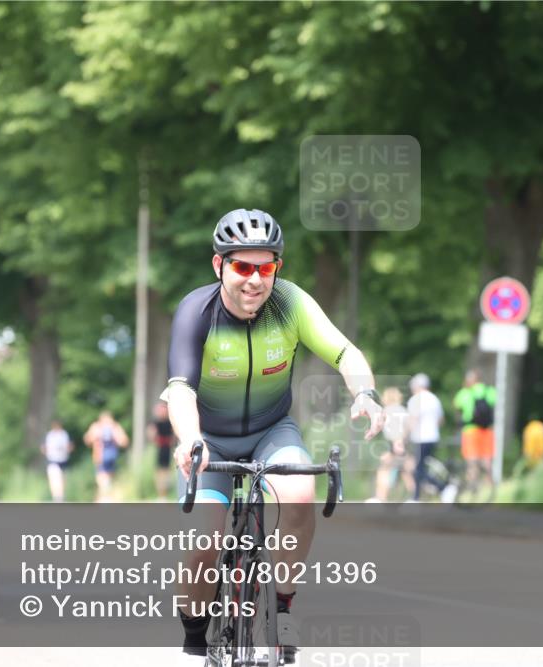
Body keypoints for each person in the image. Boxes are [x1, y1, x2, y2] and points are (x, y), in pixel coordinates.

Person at [163, 209, 384, 664]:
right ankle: (193, 635)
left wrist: (364, 392)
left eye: (266, 268)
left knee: (300, 492)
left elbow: (344, 351)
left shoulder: (290, 304)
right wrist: (189, 441)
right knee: (207, 538)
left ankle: (281, 606)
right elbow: (181, 389)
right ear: (218, 265)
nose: (255, 280)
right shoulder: (196, 311)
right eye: (243, 267)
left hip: (271, 430)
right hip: (211, 438)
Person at [407, 373, 452, 502]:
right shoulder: (434, 399)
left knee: (418, 470)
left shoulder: (416, 399)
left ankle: (443, 488)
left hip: (420, 438)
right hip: (433, 437)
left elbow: (413, 420)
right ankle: (416, 497)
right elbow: (441, 420)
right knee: (420, 468)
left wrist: (406, 436)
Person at [453, 370, 497, 493]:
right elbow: (496, 402)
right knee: (487, 459)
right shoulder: (489, 390)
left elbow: (457, 405)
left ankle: (473, 486)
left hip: (470, 430)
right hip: (487, 430)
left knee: (472, 459)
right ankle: (490, 487)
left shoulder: (465, 392)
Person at [371, 387, 415, 501]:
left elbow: (390, 430)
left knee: (384, 471)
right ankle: (414, 497)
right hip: (405, 444)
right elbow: (410, 428)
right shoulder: (403, 410)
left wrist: (395, 444)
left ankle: (380, 498)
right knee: (407, 472)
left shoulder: (386, 411)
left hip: (394, 444)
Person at [83, 411, 129, 502]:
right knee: (107, 480)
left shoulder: (97, 427)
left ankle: (104, 499)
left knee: (102, 480)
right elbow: (124, 441)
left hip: (101, 457)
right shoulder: (115, 427)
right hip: (110, 456)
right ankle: (106, 498)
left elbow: (87, 440)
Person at [146, 401, 175, 499]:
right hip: (159, 448)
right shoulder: (155, 422)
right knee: (159, 471)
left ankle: (164, 493)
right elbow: (151, 436)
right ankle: (161, 494)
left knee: (166, 471)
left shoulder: (170, 422)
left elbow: (173, 436)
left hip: (168, 449)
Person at [42, 420, 73, 502]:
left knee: (62, 480)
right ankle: (56, 497)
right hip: (53, 460)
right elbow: (43, 447)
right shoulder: (49, 435)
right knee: (55, 479)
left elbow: (70, 446)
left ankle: (61, 496)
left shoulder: (64, 434)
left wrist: (66, 450)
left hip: (63, 460)